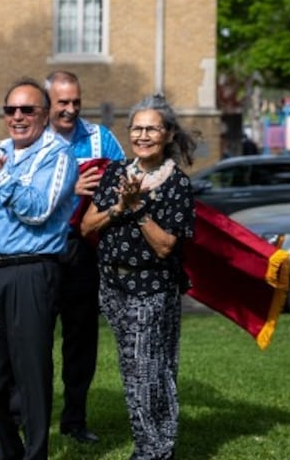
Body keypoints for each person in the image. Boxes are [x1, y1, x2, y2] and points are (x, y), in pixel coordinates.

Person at [0, 79, 77, 460]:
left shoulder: (59, 154)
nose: (18, 117)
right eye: (11, 110)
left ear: (45, 114)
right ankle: (8, 447)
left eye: (27, 110)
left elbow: (39, 211)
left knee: (31, 369)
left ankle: (35, 453)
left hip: (33, 270)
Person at [80, 94, 197, 460]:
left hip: (152, 287)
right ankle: (160, 442)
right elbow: (87, 226)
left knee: (145, 368)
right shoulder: (116, 173)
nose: (143, 135)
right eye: (137, 128)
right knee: (140, 367)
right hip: (113, 285)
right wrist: (118, 207)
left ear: (168, 134)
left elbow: (164, 247)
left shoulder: (176, 184)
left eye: (151, 128)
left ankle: (151, 451)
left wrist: (138, 209)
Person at [44, 71, 126, 444]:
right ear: (48, 104)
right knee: (29, 340)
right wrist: (68, 187)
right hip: (38, 249)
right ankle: (17, 415)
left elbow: (125, 183)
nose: (71, 109)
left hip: (81, 252)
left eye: (76, 102)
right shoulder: (31, 138)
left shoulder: (100, 139)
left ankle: (75, 420)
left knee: (80, 342)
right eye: (63, 103)